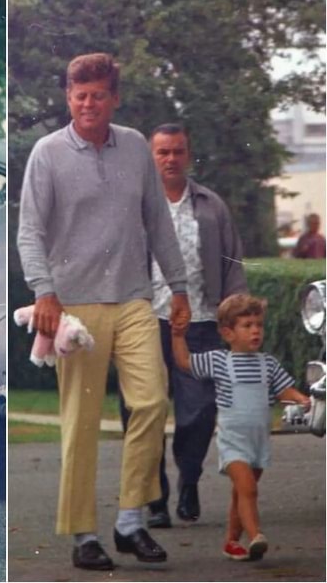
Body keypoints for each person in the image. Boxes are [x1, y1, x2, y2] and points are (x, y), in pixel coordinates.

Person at [17, 53, 191, 571]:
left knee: (153, 402)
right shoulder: (48, 153)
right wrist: (44, 292)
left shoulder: (136, 146)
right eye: (79, 94)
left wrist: (179, 287)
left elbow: (158, 221)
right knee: (81, 422)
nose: (87, 103)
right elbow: (30, 231)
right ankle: (83, 533)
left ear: (114, 98)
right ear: (67, 96)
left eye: (97, 95)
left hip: (134, 299)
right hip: (73, 308)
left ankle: (130, 520)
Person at [121, 124, 248, 528]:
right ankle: (155, 496)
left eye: (177, 152)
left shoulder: (210, 205)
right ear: (150, 157)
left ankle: (189, 480)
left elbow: (233, 263)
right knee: (143, 411)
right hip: (144, 322)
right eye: (162, 152)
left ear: (187, 156)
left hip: (202, 323)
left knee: (200, 410)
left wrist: (234, 316)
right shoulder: (134, 205)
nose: (170, 159)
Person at [172, 294, 309, 561]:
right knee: (248, 489)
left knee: (240, 493)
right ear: (228, 333)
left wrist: (300, 398)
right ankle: (256, 535)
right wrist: (178, 337)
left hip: (258, 441)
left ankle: (232, 541)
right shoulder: (220, 361)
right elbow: (185, 362)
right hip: (233, 441)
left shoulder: (267, 364)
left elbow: (283, 389)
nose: (255, 330)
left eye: (259, 324)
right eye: (247, 325)